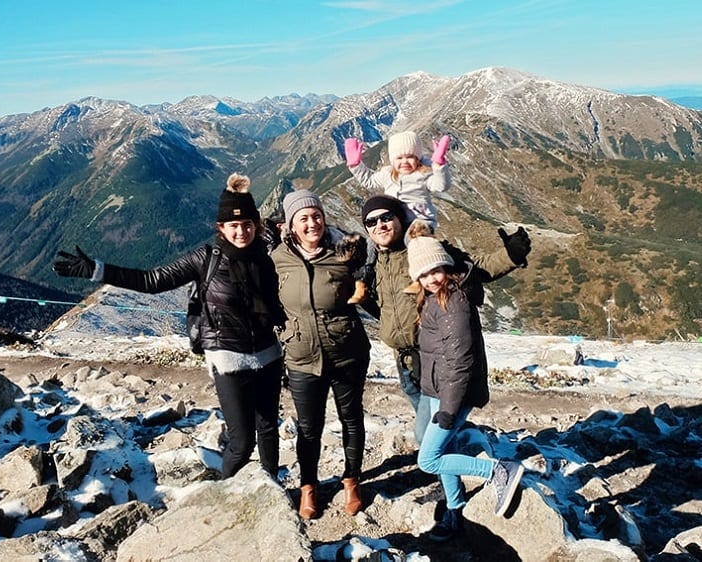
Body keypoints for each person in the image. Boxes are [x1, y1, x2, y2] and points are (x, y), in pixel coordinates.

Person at [52, 173, 286, 480]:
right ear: (221, 228)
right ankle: (230, 493)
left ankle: (273, 488)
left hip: (268, 356)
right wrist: (96, 270)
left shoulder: (267, 254)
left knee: (269, 430)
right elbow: (153, 280)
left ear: (256, 224)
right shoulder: (206, 258)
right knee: (241, 442)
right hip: (228, 360)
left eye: (247, 224)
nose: (241, 231)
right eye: (233, 225)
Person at [360, 194, 531, 445]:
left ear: (400, 218)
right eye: (371, 222)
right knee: (430, 425)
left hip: (434, 358)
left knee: (431, 431)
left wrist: (511, 256)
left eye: (386, 217)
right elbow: (384, 307)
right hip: (404, 362)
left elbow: (475, 268)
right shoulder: (373, 261)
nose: (380, 225)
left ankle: (460, 466)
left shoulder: (421, 249)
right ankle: (451, 460)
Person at [407, 232, 524, 541]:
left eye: (435, 270)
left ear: (446, 266)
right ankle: (456, 511)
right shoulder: (434, 297)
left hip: (452, 393)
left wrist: (448, 409)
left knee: (428, 458)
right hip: (438, 389)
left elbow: (460, 360)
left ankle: (499, 470)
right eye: (423, 273)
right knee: (445, 448)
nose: (430, 278)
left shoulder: (452, 301)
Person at [271, 189, 370, 520]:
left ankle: (352, 480)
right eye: (304, 218)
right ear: (291, 226)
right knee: (309, 428)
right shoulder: (278, 259)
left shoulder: (344, 254)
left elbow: (371, 288)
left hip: (347, 352)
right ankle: (308, 487)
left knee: (351, 418)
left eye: (316, 215)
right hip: (301, 359)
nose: (312, 223)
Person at [343, 131, 452, 303]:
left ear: (418, 158)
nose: (404, 162)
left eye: (410, 157)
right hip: (395, 222)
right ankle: (363, 283)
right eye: (399, 158)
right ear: (392, 160)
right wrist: (356, 165)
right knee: (372, 243)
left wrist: (439, 165)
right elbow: (369, 180)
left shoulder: (423, 175)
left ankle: (419, 279)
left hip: (420, 222)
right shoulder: (388, 175)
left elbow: (440, 186)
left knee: (415, 242)